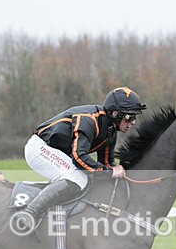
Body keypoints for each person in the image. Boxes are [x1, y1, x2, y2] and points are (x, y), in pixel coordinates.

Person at [14, 86, 146, 232]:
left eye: (135, 117)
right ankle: (30, 213)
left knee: (90, 177)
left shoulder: (110, 131)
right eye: (129, 117)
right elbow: (79, 157)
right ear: (115, 113)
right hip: (40, 148)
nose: (133, 122)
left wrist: (119, 173)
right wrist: (109, 171)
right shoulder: (89, 120)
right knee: (78, 178)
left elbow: (106, 164)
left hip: (58, 152)